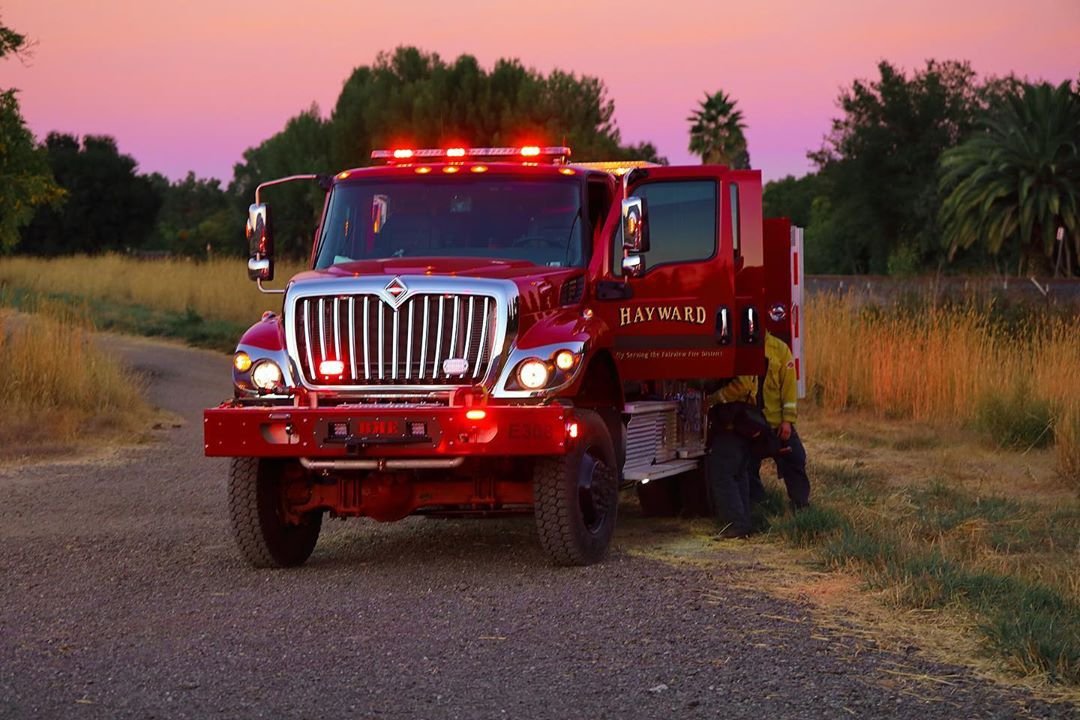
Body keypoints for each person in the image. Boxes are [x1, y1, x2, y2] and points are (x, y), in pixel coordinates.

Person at [750, 331, 810, 510]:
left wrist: (787, 420)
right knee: (746, 466)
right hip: (753, 424)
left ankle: (800, 506)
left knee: (796, 459)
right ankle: (761, 507)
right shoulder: (744, 347)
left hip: (777, 425)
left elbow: (789, 388)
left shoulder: (780, 349)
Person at [706, 376, 758, 538]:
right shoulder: (751, 354)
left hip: (732, 424)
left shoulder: (742, 358)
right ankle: (742, 524)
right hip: (740, 425)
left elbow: (742, 385)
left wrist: (712, 399)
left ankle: (736, 525)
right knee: (739, 474)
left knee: (723, 474)